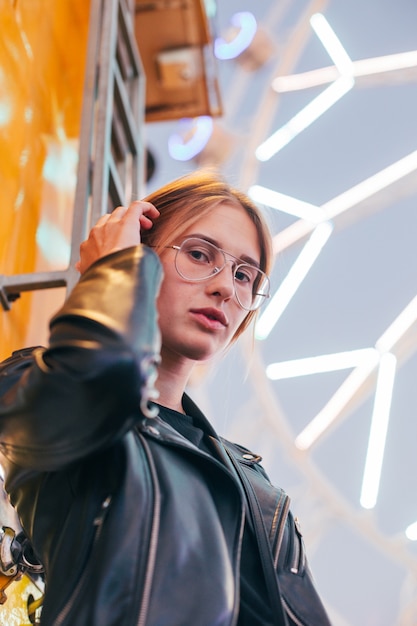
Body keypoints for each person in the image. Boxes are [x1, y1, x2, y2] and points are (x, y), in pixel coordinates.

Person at [0, 170, 332, 625]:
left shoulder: (263, 497)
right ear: (135, 253)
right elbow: (96, 385)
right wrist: (113, 275)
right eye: (199, 255)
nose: (226, 289)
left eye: (244, 276)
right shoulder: (36, 380)